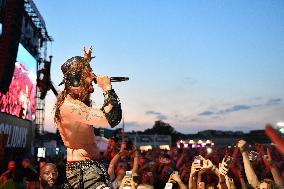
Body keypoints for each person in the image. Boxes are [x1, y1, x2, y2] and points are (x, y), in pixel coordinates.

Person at [54, 47, 122, 188]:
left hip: (87, 167)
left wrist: (86, 61)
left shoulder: (76, 101)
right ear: (77, 80)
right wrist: (107, 88)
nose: (93, 76)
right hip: (83, 171)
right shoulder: (71, 107)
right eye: (89, 74)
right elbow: (112, 118)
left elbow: (81, 82)